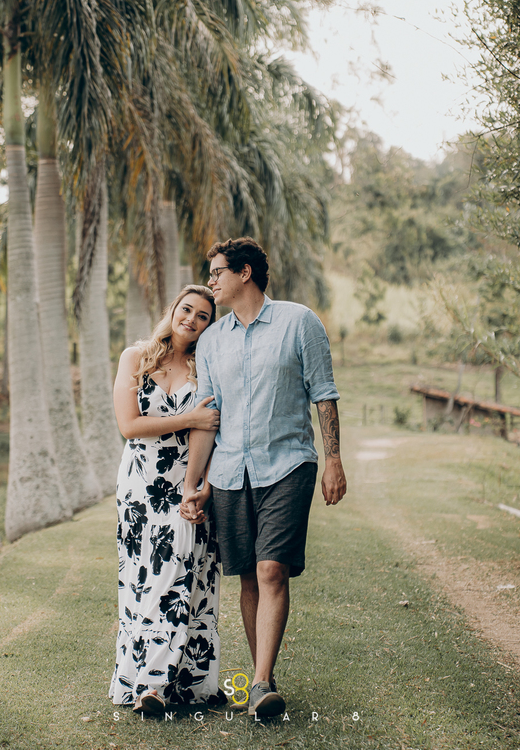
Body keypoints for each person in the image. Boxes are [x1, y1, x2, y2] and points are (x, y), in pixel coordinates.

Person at [180, 238, 347, 720]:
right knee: (249, 577)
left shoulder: (300, 322)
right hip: (231, 472)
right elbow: (209, 418)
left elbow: (325, 395)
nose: (211, 281)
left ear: (245, 272)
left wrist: (333, 459)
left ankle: (259, 681)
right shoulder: (212, 341)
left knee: (273, 569)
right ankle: (262, 681)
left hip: (288, 464)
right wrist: (200, 482)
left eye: (216, 272)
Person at [109, 284, 224, 716]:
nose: (191, 320)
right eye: (187, 309)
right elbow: (129, 425)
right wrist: (189, 416)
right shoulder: (134, 357)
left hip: (186, 481)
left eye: (202, 317)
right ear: (173, 309)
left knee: (179, 573)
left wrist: (201, 485)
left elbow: (214, 428)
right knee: (143, 578)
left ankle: (165, 685)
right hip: (139, 485)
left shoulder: (206, 364)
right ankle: (142, 680)